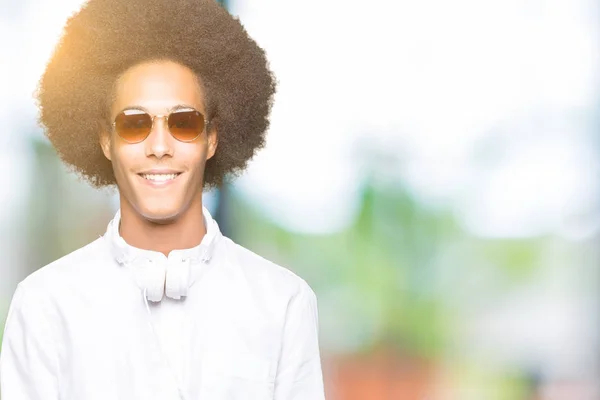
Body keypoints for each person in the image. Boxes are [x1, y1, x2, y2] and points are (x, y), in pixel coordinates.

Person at [0, 0, 326, 399]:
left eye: (183, 122)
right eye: (134, 123)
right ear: (106, 138)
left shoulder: (282, 304)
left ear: (212, 137)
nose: (159, 146)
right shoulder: (45, 305)